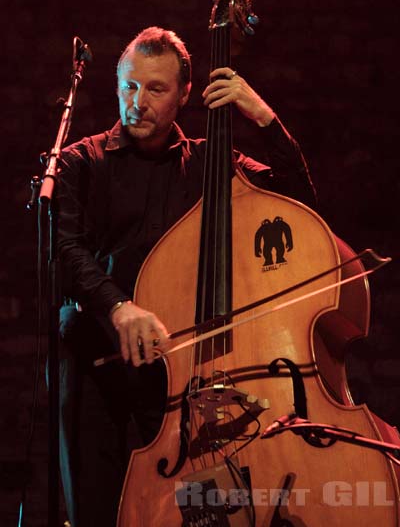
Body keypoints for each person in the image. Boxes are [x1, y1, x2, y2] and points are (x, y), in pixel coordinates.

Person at [57, 26, 316, 527]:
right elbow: (66, 251)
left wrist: (262, 117)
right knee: (95, 511)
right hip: (96, 362)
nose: (138, 101)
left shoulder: (211, 165)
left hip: (183, 379)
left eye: (156, 89)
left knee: (203, 516)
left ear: (184, 94)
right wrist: (118, 305)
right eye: (130, 86)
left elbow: (298, 206)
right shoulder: (79, 163)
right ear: (116, 84)